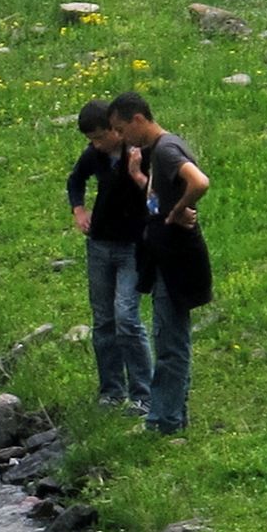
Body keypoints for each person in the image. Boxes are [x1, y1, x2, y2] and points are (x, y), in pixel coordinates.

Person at [107, 92, 212, 434]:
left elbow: (199, 182)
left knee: (170, 343)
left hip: (177, 259)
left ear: (138, 119)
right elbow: (157, 200)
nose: (121, 138)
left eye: (122, 130)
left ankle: (163, 421)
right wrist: (139, 177)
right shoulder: (155, 154)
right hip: (164, 257)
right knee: (170, 337)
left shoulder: (166, 150)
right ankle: (172, 414)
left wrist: (181, 209)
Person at [66, 99, 153, 416]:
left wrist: (134, 173)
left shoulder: (142, 155)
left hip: (132, 245)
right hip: (101, 243)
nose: (97, 145)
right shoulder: (95, 156)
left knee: (127, 318)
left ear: (117, 129)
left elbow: (156, 194)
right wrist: (79, 210)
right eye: (92, 140)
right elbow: (75, 180)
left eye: (101, 137)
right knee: (103, 321)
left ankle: (143, 392)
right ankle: (111, 391)